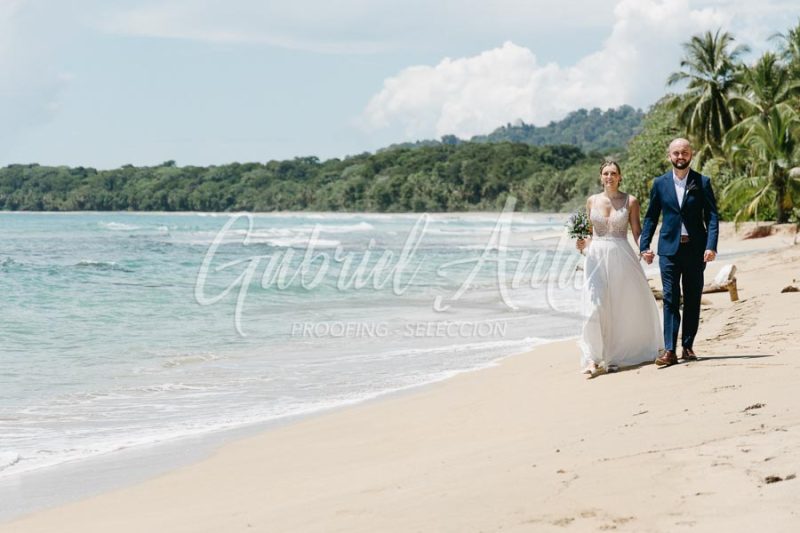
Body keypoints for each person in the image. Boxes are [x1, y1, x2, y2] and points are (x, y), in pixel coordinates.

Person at [576, 160, 664, 377]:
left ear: (620, 176)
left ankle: (615, 356)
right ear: (600, 177)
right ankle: (592, 358)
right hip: (595, 257)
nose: (609, 177)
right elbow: (587, 233)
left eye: (613, 173)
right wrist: (581, 245)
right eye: (605, 173)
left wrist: (645, 250)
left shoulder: (630, 201)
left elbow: (636, 231)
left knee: (621, 305)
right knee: (595, 307)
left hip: (622, 256)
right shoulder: (592, 201)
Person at [639, 138, 720, 366]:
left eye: (684, 152)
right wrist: (645, 245)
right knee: (670, 298)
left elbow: (712, 217)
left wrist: (711, 246)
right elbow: (651, 216)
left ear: (691, 154)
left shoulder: (702, 182)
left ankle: (687, 346)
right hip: (668, 250)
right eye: (676, 153)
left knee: (693, 299)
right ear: (669, 156)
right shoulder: (660, 183)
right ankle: (669, 351)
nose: (680, 156)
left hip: (695, 250)